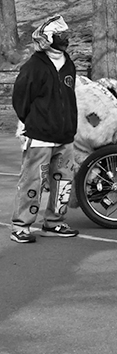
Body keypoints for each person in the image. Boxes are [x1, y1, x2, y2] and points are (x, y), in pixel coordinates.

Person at [9, 15, 79, 243]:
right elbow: (21, 98)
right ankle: (21, 225)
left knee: (63, 181)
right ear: (48, 38)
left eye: (66, 35)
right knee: (33, 181)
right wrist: (33, 122)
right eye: (61, 36)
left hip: (65, 136)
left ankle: (55, 222)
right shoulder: (33, 66)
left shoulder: (68, 63)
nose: (66, 40)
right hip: (39, 137)